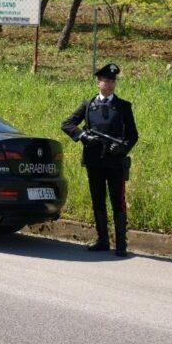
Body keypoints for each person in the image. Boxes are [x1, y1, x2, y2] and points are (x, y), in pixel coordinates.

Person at [61, 63, 139, 257]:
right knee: (98, 200)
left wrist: (123, 147)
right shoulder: (88, 105)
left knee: (117, 202)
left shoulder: (123, 106)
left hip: (115, 163)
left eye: (113, 81)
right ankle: (102, 239)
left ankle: (121, 243)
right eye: (107, 81)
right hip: (94, 161)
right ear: (98, 83)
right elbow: (67, 124)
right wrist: (83, 136)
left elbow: (133, 135)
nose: (111, 84)